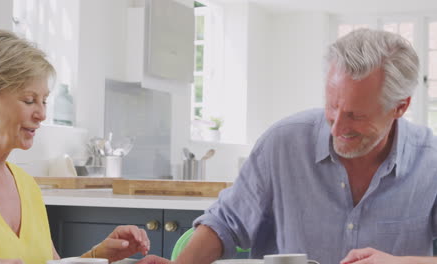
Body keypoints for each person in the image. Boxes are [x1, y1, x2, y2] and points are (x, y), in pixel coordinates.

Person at [137, 28, 437, 264]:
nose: (337, 126)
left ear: (400, 107)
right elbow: (227, 223)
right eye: (332, 106)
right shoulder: (283, 142)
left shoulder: (430, 162)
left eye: (356, 116)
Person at [0, 30, 150, 264]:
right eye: (29, 100)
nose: (42, 114)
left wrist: (98, 256)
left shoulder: (26, 186)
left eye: (44, 101)